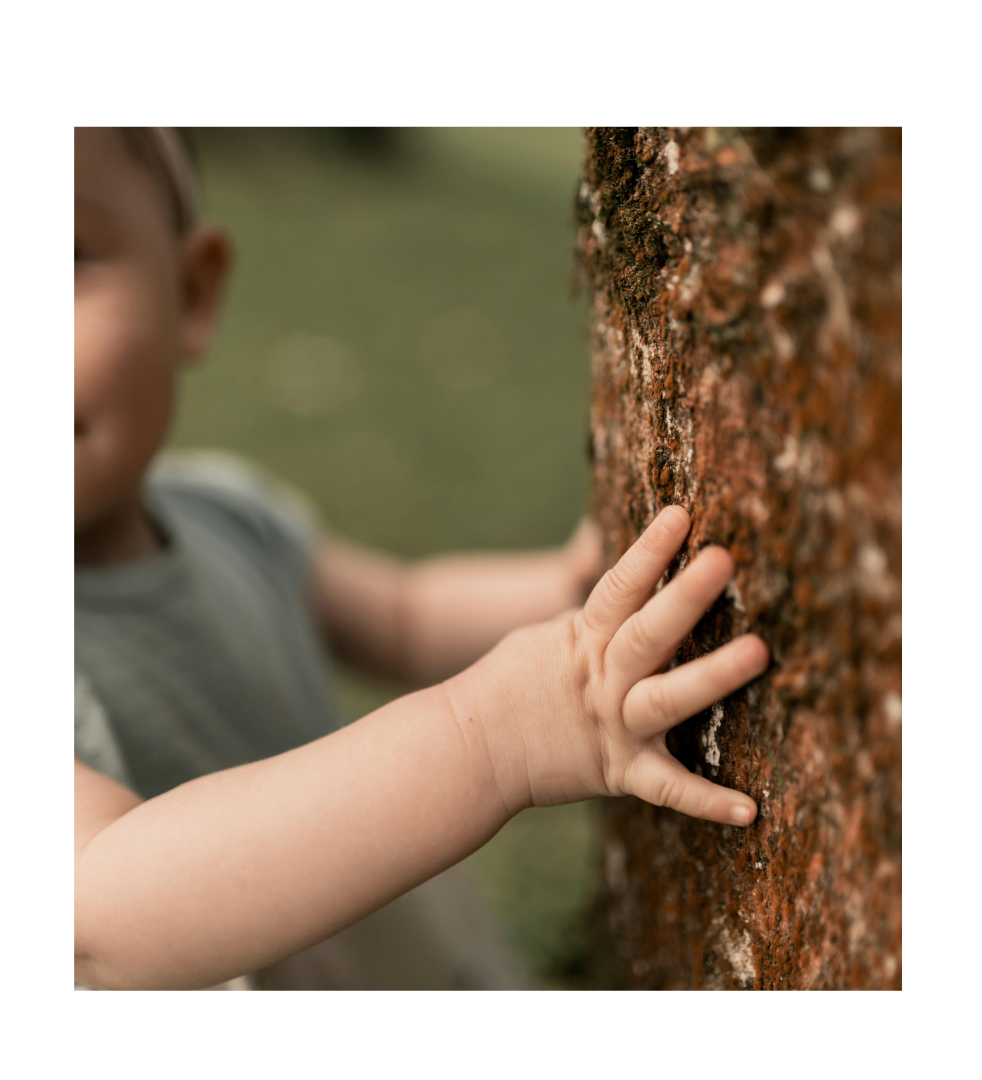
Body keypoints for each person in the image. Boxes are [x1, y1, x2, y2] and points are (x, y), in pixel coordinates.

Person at [74, 127, 770, 991]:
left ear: (190, 292)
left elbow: (408, 616)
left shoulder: (227, 514)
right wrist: (497, 736)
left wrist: (572, 593)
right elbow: (99, 912)